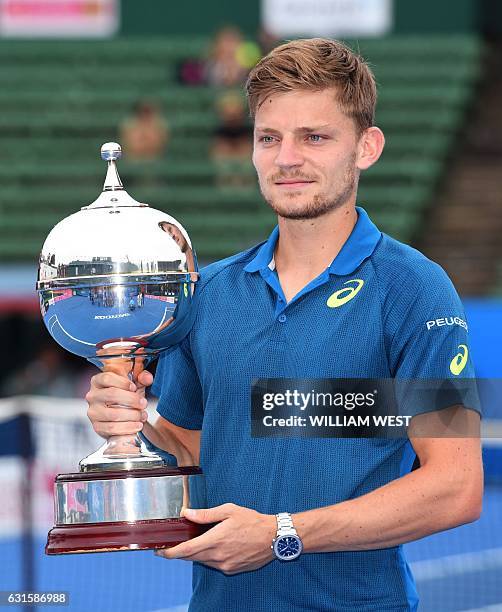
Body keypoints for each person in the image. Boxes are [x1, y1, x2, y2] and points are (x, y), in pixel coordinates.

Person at [86, 38, 483, 611]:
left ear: (366, 147)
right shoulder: (210, 292)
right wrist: (128, 429)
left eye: (314, 137)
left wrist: (281, 534)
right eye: (269, 137)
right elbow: (187, 446)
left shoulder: (413, 290)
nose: (286, 158)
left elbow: (455, 487)